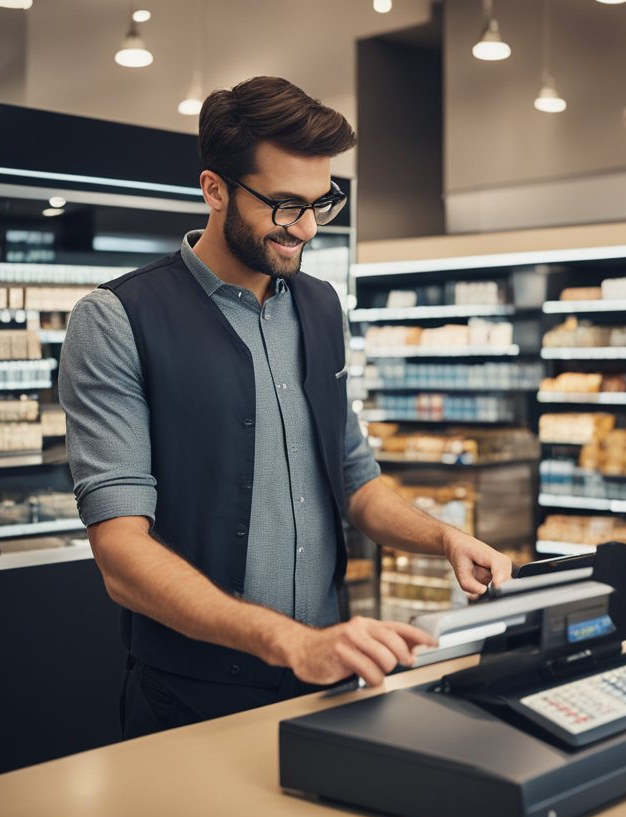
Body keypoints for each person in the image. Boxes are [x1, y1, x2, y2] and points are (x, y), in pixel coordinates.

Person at [59, 76, 512, 738]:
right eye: (283, 204)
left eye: (320, 203)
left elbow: (355, 478)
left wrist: (444, 537)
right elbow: (121, 556)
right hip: (192, 697)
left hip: (328, 676)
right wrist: (286, 641)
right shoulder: (119, 319)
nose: (304, 228)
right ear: (214, 189)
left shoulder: (322, 307)